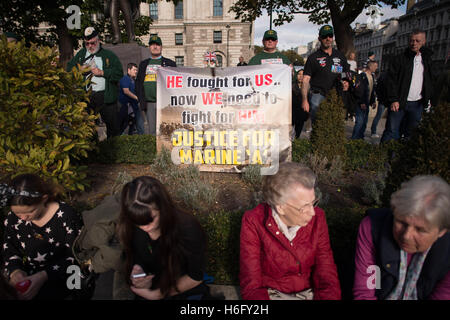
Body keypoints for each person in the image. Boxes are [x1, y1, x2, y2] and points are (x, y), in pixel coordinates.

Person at [239, 162, 341, 300]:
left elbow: (326, 269)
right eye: (304, 206)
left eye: (313, 202)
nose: (312, 212)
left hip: (309, 293)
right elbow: (251, 281)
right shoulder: (254, 221)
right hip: (271, 294)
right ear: (280, 207)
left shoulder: (318, 218)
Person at [353, 175, 450, 300]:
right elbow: (365, 292)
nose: (406, 236)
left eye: (420, 230)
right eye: (401, 222)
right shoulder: (372, 229)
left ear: (441, 231)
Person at [116, 176, 211, 300]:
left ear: (163, 208)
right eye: (137, 222)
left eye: (150, 220)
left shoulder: (187, 228)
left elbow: (195, 276)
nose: (144, 227)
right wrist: (138, 271)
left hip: (181, 288)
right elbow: (135, 258)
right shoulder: (130, 225)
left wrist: (159, 294)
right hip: (152, 286)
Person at [1, 174, 83, 300]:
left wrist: (44, 276)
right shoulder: (13, 219)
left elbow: (77, 256)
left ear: (44, 199)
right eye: (18, 213)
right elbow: (10, 248)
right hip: (31, 276)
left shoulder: (66, 216)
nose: (23, 218)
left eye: (30, 211)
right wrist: (15, 271)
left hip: (66, 276)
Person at [67, 27, 123, 139]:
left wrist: (103, 72)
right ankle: (94, 152)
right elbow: (69, 69)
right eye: (87, 44)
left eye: (92, 43)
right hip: (87, 96)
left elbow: (119, 73)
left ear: (98, 41)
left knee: (112, 127)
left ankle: (113, 150)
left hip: (105, 96)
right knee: (88, 128)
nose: (90, 46)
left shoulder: (108, 55)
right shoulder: (81, 55)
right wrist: (79, 70)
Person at [381, 29, 433, 143]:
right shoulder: (400, 58)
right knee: (391, 131)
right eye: (411, 40)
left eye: (417, 41)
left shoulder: (427, 60)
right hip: (399, 102)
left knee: (411, 133)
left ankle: (402, 158)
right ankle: (384, 158)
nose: (414, 43)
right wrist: (393, 99)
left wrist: (428, 99)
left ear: (423, 42)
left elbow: (429, 80)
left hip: (417, 103)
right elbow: (391, 80)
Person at [302, 25, 349, 124]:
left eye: (330, 36)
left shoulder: (340, 56)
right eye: (324, 36)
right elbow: (305, 80)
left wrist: (346, 82)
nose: (328, 39)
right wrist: (304, 100)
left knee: (335, 121)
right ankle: (316, 131)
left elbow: (345, 73)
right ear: (319, 38)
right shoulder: (313, 57)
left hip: (336, 93)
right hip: (318, 93)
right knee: (316, 112)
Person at [136, 35, 176, 135]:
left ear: (161, 47)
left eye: (157, 45)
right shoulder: (143, 64)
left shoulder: (170, 63)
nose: (155, 47)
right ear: (149, 47)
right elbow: (139, 83)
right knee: (152, 131)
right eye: (152, 45)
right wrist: (141, 100)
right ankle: (154, 150)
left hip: (164, 103)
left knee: (166, 129)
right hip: (149, 102)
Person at [351, 60, 378, 140]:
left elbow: (372, 90)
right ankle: (355, 139)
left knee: (364, 122)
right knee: (359, 122)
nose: (376, 68)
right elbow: (359, 90)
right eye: (375, 66)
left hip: (367, 102)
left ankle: (360, 138)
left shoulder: (372, 77)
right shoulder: (362, 76)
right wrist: (361, 102)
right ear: (370, 66)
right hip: (361, 103)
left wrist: (372, 101)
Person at [118, 62, 144, 135]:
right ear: (129, 70)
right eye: (134, 70)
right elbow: (126, 91)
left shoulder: (134, 80)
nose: (136, 72)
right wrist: (137, 98)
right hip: (126, 107)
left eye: (136, 70)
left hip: (134, 107)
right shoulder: (125, 79)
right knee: (123, 126)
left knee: (139, 126)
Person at [370, 71, 388, 138]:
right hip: (384, 99)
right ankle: (373, 131)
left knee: (378, 116)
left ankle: (373, 131)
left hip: (383, 99)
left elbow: (377, 88)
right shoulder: (386, 76)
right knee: (378, 116)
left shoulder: (383, 75)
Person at [292, 69, 308, 138]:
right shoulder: (291, 85)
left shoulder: (308, 87)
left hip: (302, 112)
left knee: (298, 130)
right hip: (292, 111)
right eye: (299, 74)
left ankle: (297, 139)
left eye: (303, 74)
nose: (301, 76)